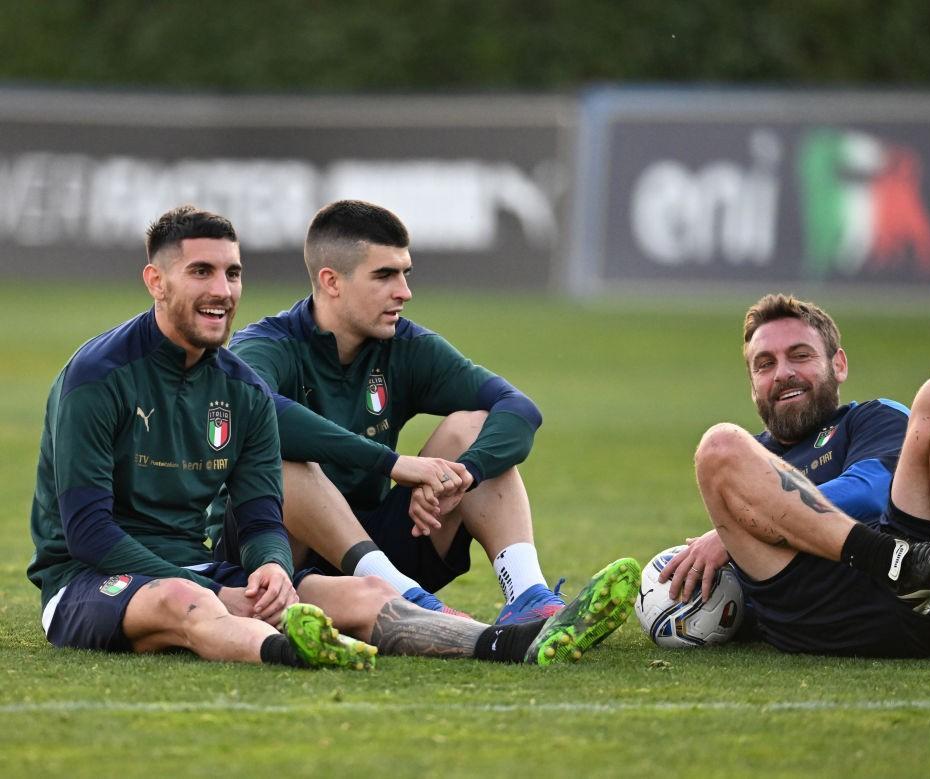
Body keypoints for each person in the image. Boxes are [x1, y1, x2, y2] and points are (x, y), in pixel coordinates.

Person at [26, 204, 640, 669]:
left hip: (220, 566)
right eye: (201, 272)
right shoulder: (99, 377)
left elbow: (263, 517)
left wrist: (266, 570)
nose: (222, 290)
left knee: (364, 597)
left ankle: (512, 639)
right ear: (155, 282)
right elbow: (87, 533)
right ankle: (293, 650)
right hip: (91, 578)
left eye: (233, 273)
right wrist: (223, 587)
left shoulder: (237, 384)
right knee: (183, 603)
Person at [217, 199, 563, 623]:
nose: (404, 291)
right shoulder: (267, 345)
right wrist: (395, 464)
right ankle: (404, 599)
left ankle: (529, 597)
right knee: (285, 461)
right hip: (276, 558)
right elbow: (257, 413)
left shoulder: (405, 345)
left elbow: (518, 408)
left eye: (405, 273)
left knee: (471, 427)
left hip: (380, 546)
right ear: (331, 282)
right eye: (384, 275)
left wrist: (462, 476)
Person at [660, 293, 930, 664]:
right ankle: (897, 562)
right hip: (809, 611)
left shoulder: (870, 418)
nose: (783, 373)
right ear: (753, 385)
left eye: (800, 356)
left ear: (839, 364)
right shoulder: (741, 457)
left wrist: (744, 525)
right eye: (765, 364)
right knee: (718, 444)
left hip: (919, 594)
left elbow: (871, 492)